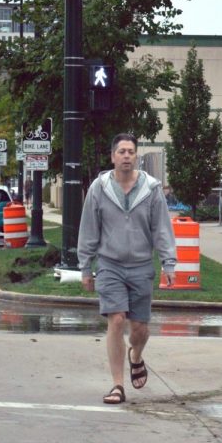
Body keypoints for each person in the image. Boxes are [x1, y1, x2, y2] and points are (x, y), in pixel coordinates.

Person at [78, 133, 176, 405]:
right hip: (109, 265)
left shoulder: (152, 189)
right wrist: (86, 266)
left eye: (131, 152)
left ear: (136, 157)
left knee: (140, 329)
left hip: (141, 266)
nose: (126, 156)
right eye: (121, 151)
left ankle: (136, 356)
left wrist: (169, 262)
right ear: (112, 157)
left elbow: (162, 228)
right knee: (117, 319)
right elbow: (88, 228)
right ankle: (118, 386)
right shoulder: (99, 188)